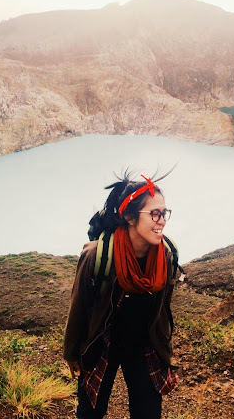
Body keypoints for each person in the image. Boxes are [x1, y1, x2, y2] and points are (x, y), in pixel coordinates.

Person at [63, 171, 179, 419]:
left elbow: (163, 307)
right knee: (90, 413)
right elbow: (79, 305)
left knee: (148, 413)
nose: (162, 221)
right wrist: (71, 353)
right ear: (129, 217)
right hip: (102, 342)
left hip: (144, 343)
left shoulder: (166, 255)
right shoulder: (97, 256)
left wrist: (164, 347)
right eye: (154, 213)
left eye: (164, 213)